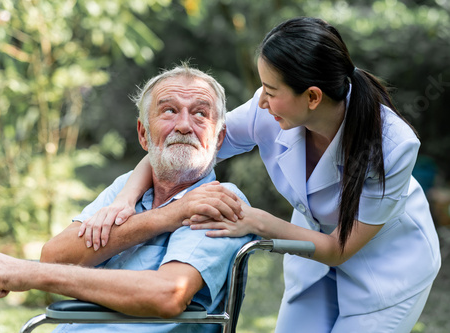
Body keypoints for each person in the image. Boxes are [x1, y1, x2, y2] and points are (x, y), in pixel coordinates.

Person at [82, 17, 441, 332]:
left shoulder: (392, 147)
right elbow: (179, 148)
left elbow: (338, 249)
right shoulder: (265, 110)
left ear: (312, 97)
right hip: (311, 249)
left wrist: (253, 220)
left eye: (270, 91)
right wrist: (124, 201)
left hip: (384, 264)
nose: (261, 101)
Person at [0, 64, 256, 333]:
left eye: (200, 114)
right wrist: (169, 215)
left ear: (219, 139)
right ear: (143, 134)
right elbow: (55, 256)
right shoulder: (127, 189)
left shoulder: (220, 199)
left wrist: (32, 274)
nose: (184, 125)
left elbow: (168, 295)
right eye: (169, 111)